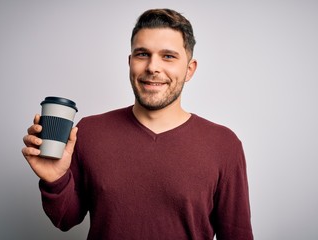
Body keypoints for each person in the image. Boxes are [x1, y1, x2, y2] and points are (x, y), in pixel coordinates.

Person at [22, 8, 253, 240]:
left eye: (168, 56)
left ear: (189, 69)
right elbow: (65, 219)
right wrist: (54, 178)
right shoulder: (89, 132)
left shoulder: (223, 144)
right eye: (143, 54)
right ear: (130, 62)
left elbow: (237, 235)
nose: (153, 67)